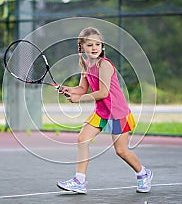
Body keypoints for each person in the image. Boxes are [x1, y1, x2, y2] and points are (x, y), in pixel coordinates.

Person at [57, 27, 152, 194]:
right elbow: (82, 88)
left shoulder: (105, 65)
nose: (94, 48)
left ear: (102, 46)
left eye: (98, 44)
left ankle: (143, 174)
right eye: (89, 45)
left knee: (121, 151)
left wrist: (79, 99)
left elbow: (103, 92)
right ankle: (79, 180)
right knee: (82, 139)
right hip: (101, 112)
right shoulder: (85, 65)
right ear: (81, 47)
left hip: (117, 113)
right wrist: (69, 90)